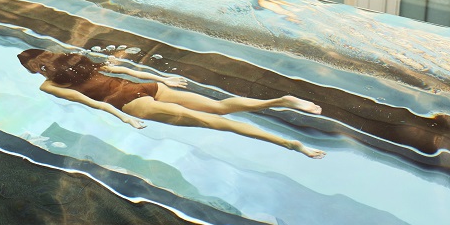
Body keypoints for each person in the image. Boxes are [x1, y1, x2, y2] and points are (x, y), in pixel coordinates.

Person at [18, 48, 326, 158]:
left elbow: (93, 104)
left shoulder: (49, 85)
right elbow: (124, 69)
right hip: (144, 86)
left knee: (218, 123)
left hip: (131, 102)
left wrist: (125, 119)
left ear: (33, 69)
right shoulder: (77, 59)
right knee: (220, 108)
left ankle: (291, 145)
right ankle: (282, 101)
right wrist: (161, 80)